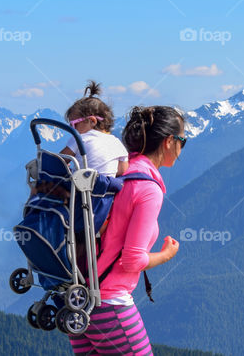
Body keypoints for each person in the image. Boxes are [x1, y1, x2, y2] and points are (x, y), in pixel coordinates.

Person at [69, 105, 186, 356]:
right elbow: (132, 259)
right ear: (168, 142)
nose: (181, 148)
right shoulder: (148, 189)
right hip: (109, 304)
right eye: (182, 141)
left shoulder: (119, 170)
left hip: (76, 299)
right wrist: (166, 255)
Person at [61, 81, 128, 177]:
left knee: (43, 184)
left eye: (74, 124)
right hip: (105, 189)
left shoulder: (80, 139)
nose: (72, 129)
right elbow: (122, 169)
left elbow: (57, 161)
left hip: (79, 189)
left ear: (92, 121)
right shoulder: (117, 143)